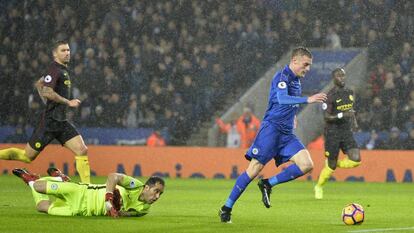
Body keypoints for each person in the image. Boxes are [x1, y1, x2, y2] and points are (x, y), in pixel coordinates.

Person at [219, 47, 327, 223]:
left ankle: (268, 184)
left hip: (286, 134)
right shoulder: (282, 76)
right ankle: (226, 208)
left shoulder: (297, 81)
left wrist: (292, 117)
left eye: (309, 65)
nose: (307, 69)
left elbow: (288, 104)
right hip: (271, 130)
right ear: (295, 61)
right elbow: (282, 98)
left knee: (307, 164)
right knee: (254, 169)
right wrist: (308, 99)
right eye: (305, 64)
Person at [0, 40, 91, 183]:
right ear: (55, 54)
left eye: (68, 50)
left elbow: (39, 83)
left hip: (61, 122)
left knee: (82, 150)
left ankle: (88, 187)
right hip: (49, 123)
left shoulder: (62, 70)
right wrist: (68, 102)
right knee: (27, 157)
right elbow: (47, 91)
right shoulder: (55, 70)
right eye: (63, 50)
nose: (67, 53)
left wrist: (46, 102)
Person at [12, 167, 165, 217]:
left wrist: (116, 210)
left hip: (80, 210)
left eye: (160, 194)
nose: (157, 196)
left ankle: (52, 179)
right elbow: (113, 177)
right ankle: (60, 180)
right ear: (146, 187)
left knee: (41, 207)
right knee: (38, 186)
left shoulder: (143, 210)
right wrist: (108, 198)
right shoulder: (135, 185)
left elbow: (125, 214)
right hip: (81, 192)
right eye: (156, 191)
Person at [314, 68, 361, 200]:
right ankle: (318, 186)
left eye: (343, 75)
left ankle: (335, 164)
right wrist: (342, 115)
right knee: (331, 165)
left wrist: (355, 122)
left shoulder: (350, 92)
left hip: (346, 131)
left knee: (356, 160)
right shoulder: (329, 96)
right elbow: (327, 117)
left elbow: (351, 110)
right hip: (332, 133)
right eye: (339, 76)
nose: (342, 78)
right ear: (333, 79)